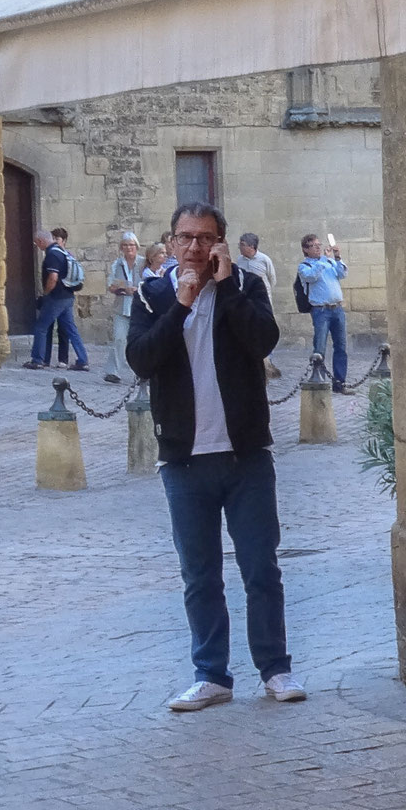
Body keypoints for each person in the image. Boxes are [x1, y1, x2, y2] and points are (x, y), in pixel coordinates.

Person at [126, 201, 306, 713]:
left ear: (221, 244)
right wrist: (180, 305)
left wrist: (225, 287)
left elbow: (263, 341)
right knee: (200, 574)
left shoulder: (245, 287)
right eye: (186, 237)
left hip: (245, 456)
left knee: (260, 568)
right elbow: (140, 358)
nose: (195, 248)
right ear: (172, 240)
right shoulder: (153, 292)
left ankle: (275, 668)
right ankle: (211, 675)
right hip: (184, 461)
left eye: (206, 238)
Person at [25, 228, 90, 372]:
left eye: (37, 243)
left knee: (41, 327)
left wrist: (46, 293)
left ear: (42, 241)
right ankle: (83, 360)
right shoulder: (62, 252)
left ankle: (37, 360)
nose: (37, 246)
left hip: (56, 297)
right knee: (71, 329)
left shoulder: (52, 255)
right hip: (67, 296)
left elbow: (53, 278)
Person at [294, 234, 349, 391]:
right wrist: (324, 260)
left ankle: (340, 382)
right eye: (313, 246)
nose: (318, 247)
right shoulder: (304, 266)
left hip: (337, 308)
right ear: (305, 249)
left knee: (341, 346)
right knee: (320, 347)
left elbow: (342, 274)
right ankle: (319, 381)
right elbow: (312, 277)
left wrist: (337, 258)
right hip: (320, 310)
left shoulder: (329, 262)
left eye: (319, 244)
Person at [104, 232, 142, 383]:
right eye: (125, 245)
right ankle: (113, 371)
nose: (128, 248)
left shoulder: (143, 262)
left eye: (131, 245)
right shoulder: (117, 264)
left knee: (139, 340)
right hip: (122, 306)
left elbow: (150, 282)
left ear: (136, 247)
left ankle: (141, 370)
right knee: (119, 338)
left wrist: (137, 290)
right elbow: (111, 285)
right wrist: (121, 289)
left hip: (139, 308)